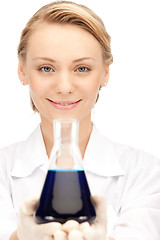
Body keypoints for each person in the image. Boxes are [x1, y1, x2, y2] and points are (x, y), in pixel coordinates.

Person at [0, 1, 160, 239]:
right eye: (46, 68)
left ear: (105, 73)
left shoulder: (145, 172)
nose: (64, 87)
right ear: (22, 70)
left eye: (82, 68)